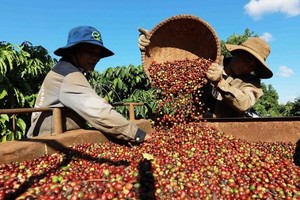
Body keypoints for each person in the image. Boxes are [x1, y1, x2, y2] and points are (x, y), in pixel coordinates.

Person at [27, 26, 151, 143]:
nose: (95, 58)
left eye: (98, 54)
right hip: (50, 141)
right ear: (73, 51)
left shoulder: (67, 70)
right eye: (90, 52)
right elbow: (99, 112)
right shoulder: (68, 75)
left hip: (56, 136)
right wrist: (138, 134)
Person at [138, 28, 273, 118]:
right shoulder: (210, 61)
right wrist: (154, 43)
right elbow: (179, 59)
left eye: (255, 64)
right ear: (238, 53)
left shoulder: (253, 83)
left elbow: (244, 104)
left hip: (227, 131)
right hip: (194, 122)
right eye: (249, 59)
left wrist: (220, 82)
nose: (250, 66)